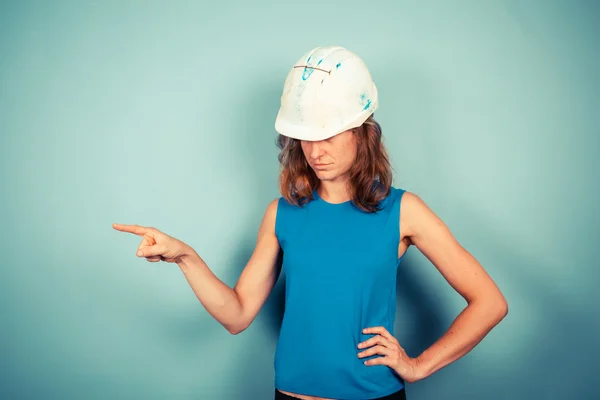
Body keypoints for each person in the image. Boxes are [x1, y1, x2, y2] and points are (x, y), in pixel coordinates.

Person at [113, 46, 508, 400]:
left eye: (330, 135)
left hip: (372, 399)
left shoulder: (404, 211)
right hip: (290, 396)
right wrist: (184, 256)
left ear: (361, 132)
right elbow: (236, 316)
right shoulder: (281, 213)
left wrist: (418, 365)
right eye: (306, 136)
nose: (316, 151)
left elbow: (490, 303)